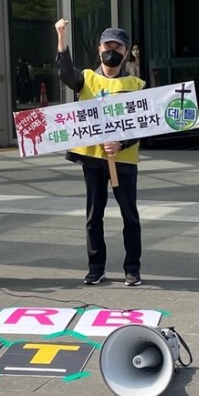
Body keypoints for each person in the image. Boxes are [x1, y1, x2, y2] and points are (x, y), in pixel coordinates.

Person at [55, 19, 146, 286]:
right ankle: (96, 266)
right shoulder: (87, 79)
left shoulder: (137, 85)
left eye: (117, 46)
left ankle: (133, 267)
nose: (112, 50)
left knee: (130, 214)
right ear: (99, 49)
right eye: (107, 45)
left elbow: (144, 123)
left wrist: (122, 143)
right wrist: (61, 37)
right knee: (94, 214)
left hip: (125, 160)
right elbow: (65, 73)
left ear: (126, 51)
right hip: (93, 158)